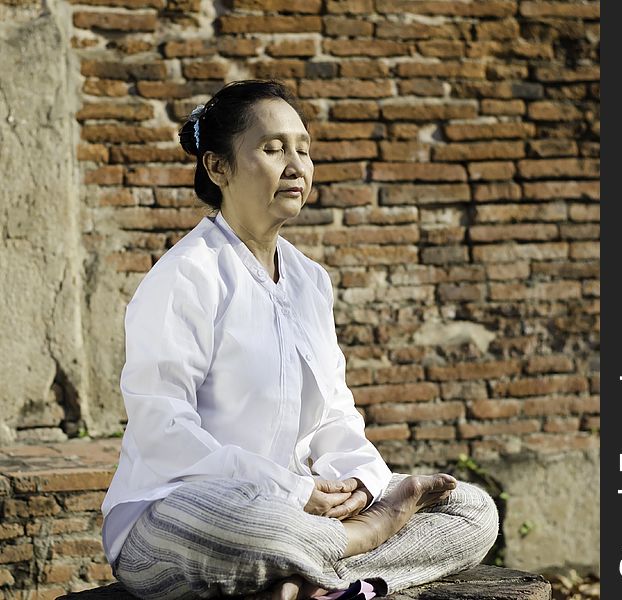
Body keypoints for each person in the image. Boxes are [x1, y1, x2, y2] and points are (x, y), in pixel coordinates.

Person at [101, 79, 498, 600]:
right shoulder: (186, 276)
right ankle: (358, 547)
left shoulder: (310, 281)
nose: (296, 165)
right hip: (182, 514)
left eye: (303, 149)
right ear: (218, 167)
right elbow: (162, 430)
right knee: (268, 529)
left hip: (300, 507)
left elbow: (335, 412)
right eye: (272, 149)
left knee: (472, 510)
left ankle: (304, 580)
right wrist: (296, 494)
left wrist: (357, 482)